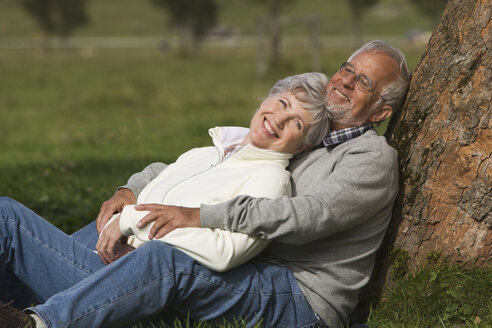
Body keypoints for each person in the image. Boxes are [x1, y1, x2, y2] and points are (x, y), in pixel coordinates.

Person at [1, 40, 410, 328]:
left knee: (163, 257)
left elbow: (309, 215)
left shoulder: (370, 159)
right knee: (103, 229)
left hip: (296, 292)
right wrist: (133, 190)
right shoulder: (308, 130)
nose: (346, 82)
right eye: (347, 68)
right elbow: (205, 164)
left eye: (365, 83)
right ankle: (17, 303)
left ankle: (40, 321)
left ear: (380, 111)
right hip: (247, 260)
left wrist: (196, 217)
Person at [97, 72, 331, 271]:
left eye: (297, 123)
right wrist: (128, 193)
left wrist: (130, 221)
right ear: (266, 100)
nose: (280, 119)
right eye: (282, 103)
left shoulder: (271, 179)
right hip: (112, 246)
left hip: (135, 271)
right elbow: (162, 180)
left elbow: (224, 252)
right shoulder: (207, 152)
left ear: (303, 146)